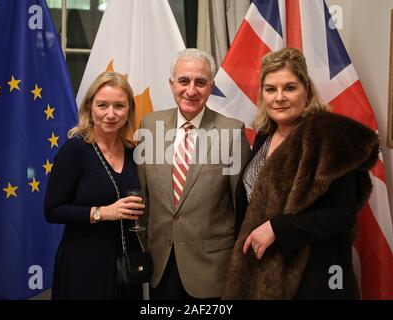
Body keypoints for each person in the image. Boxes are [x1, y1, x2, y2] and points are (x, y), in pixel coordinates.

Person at [223, 48, 380, 300]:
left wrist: (278, 228)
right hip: (265, 273)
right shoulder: (264, 135)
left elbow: (342, 217)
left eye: (290, 88)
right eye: (271, 89)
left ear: (306, 90)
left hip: (315, 276)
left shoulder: (329, 136)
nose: (279, 97)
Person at [136, 48, 251, 299]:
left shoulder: (232, 132)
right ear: (171, 83)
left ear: (211, 86)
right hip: (161, 264)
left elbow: (240, 205)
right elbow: (144, 198)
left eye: (200, 82)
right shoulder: (149, 126)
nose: (191, 90)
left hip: (211, 269)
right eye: (183, 81)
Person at [44, 71, 145, 300]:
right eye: (102, 105)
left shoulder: (133, 151)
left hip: (126, 262)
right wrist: (104, 212)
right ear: (90, 107)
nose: (110, 114)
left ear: (129, 109)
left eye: (119, 106)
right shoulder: (75, 150)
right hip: (85, 262)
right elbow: (52, 210)